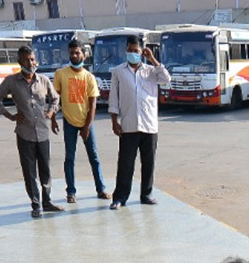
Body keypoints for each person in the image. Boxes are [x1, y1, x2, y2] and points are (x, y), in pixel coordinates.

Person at [0, 46, 60, 219]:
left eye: (32, 59)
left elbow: (55, 98)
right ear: (20, 62)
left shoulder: (43, 80)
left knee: (45, 169)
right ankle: (35, 204)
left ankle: (47, 201)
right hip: (24, 133)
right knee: (29, 171)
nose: (31, 62)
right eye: (27, 60)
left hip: (43, 133)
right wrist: (10, 116)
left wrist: (51, 113)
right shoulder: (12, 82)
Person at [108, 35, 170, 210]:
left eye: (136, 51)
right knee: (125, 163)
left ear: (142, 51)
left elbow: (166, 79)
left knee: (148, 162)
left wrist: (152, 59)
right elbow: (114, 97)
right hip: (128, 125)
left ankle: (146, 194)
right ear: (126, 50)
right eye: (130, 50)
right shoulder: (118, 71)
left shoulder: (151, 71)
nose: (133, 53)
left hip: (149, 125)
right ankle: (120, 197)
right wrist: (114, 120)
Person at [52, 39, 108, 204]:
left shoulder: (89, 77)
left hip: (86, 122)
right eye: (71, 53)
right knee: (69, 158)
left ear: (83, 55)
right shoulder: (60, 74)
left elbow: (93, 105)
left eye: (77, 52)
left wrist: (86, 127)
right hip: (69, 122)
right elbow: (55, 99)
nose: (74, 55)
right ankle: (71, 192)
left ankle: (101, 189)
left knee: (94, 157)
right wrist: (53, 119)